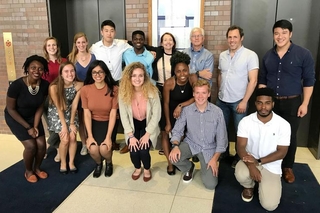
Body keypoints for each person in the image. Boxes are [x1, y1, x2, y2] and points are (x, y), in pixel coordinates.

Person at [258, 19, 315, 183]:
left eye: (284, 32)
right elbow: (262, 80)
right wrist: (262, 102)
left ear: (290, 34)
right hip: (271, 102)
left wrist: (305, 104)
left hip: (293, 102)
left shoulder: (303, 54)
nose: (280, 36)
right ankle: (269, 163)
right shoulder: (268, 56)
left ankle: (287, 167)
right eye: (277, 33)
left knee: (289, 136)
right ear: (273, 35)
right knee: (269, 134)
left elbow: (309, 80)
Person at [235, 87, 291, 211]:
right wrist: (251, 166)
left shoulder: (283, 125)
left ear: (273, 104)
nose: (263, 107)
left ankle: (263, 183)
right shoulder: (246, 121)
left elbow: (282, 152)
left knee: (270, 206)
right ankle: (249, 186)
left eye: (267, 103)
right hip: (249, 160)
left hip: (271, 165)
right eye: (260, 103)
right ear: (255, 104)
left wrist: (258, 162)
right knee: (241, 174)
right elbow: (240, 147)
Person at [169, 79, 228, 189]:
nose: (200, 96)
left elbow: (222, 139)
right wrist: (175, 146)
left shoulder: (217, 112)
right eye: (197, 93)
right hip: (191, 143)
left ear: (209, 94)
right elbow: (177, 130)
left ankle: (206, 168)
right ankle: (188, 167)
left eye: (204, 93)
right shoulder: (187, 110)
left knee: (211, 184)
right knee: (173, 157)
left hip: (209, 148)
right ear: (193, 94)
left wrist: (215, 159)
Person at [216, 25, 259, 167]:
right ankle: (224, 153)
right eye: (229, 37)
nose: (232, 40)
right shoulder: (223, 55)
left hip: (239, 101)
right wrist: (219, 93)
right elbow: (220, 75)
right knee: (222, 129)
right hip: (222, 100)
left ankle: (239, 156)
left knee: (241, 131)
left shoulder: (250, 55)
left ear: (241, 38)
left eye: (235, 37)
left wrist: (245, 101)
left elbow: (253, 80)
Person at [5, 55, 50, 183]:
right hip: (16, 117)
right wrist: (29, 127)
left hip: (33, 116)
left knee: (41, 145)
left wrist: (35, 126)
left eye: (40, 68)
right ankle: (28, 171)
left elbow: (40, 106)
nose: (37, 71)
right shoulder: (16, 86)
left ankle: (37, 168)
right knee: (31, 146)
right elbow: (11, 109)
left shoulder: (45, 85)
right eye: (33, 67)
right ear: (27, 69)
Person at [91, 19, 132, 153]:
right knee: (109, 112)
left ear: (115, 33)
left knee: (123, 112)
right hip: (103, 83)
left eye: (112, 31)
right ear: (101, 32)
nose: (109, 34)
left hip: (118, 83)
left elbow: (137, 46)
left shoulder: (121, 44)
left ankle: (128, 141)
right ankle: (112, 140)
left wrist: (153, 51)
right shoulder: (94, 47)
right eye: (106, 31)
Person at [118, 62, 161, 182]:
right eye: (134, 76)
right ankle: (137, 168)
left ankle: (147, 169)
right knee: (134, 151)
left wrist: (148, 134)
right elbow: (124, 116)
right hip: (132, 125)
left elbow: (156, 115)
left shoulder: (152, 91)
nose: (137, 79)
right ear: (129, 77)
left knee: (144, 149)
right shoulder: (123, 92)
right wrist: (130, 136)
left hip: (148, 125)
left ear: (145, 77)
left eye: (140, 75)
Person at [81, 60, 118, 178]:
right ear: (91, 75)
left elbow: (113, 114)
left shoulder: (114, 89)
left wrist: (108, 138)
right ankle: (98, 164)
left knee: (104, 149)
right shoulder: (85, 89)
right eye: (94, 73)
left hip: (109, 122)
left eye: (100, 72)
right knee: (92, 149)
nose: (98, 75)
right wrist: (89, 136)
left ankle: (108, 163)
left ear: (106, 73)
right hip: (93, 122)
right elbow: (86, 113)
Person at [162, 51, 197, 175]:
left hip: (187, 112)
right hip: (170, 112)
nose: (182, 74)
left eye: (184, 70)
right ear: (174, 72)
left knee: (184, 136)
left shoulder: (193, 78)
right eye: (178, 71)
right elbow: (165, 103)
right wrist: (167, 123)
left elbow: (196, 97)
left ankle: (181, 157)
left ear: (188, 69)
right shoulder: (169, 83)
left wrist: (181, 105)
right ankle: (170, 163)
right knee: (166, 134)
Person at [47, 62, 83, 174]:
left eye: (72, 70)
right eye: (66, 71)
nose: (70, 74)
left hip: (71, 113)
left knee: (72, 137)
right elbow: (59, 108)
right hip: (57, 114)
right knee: (65, 138)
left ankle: (71, 162)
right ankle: (63, 163)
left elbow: (74, 106)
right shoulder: (54, 87)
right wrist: (64, 126)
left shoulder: (79, 85)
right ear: (61, 74)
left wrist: (72, 123)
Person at [68, 32, 97, 155]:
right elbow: (68, 77)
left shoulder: (94, 57)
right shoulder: (71, 58)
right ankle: (84, 143)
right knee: (81, 119)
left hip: (93, 92)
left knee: (93, 117)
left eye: (83, 42)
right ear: (75, 44)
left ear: (87, 43)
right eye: (78, 42)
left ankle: (94, 140)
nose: (81, 45)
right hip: (79, 93)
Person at [42, 37, 67, 162]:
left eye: (54, 45)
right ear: (45, 48)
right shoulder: (42, 63)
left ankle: (45, 146)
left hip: (61, 97)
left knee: (60, 124)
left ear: (57, 47)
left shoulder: (63, 61)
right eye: (49, 45)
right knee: (52, 126)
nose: (52, 47)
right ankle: (58, 149)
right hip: (46, 99)